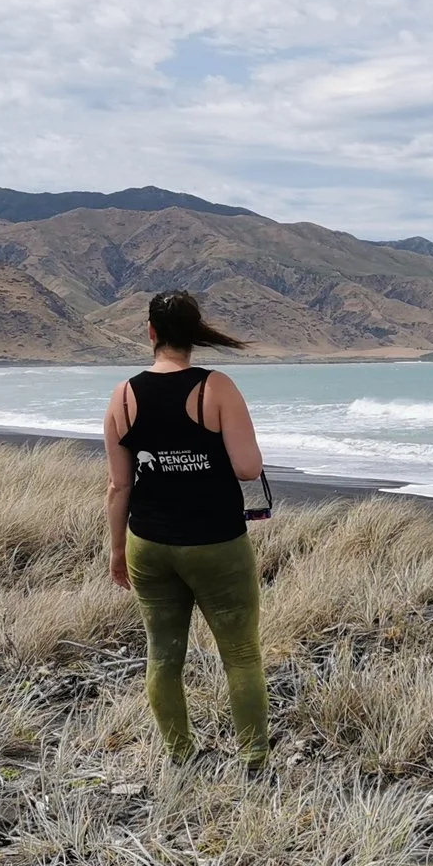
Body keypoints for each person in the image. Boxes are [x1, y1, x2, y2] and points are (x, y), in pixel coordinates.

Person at [103, 290, 269, 769]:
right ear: (194, 334)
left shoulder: (124, 396)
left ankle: (180, 754)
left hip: (148, 543)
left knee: (162, 655)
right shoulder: (215, 388)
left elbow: (118, 487)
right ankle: (254, 759)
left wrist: (117, 551)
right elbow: (247, 467)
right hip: (216, 541)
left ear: (151, 333)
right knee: (239, 653)